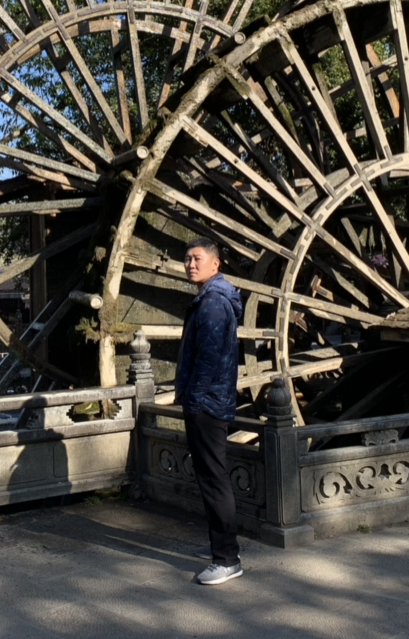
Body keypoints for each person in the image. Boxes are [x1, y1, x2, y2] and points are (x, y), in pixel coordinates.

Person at [176, 237, 244, 586]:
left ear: (215, 264)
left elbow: (209, 358)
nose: (190, 264)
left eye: (197, 259)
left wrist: (194, 399)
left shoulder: (213, 302)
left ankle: (226, 559)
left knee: (214, 480)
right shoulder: (211, 297)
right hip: (211, 401)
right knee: (211, 478)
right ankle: (222, 547)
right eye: (187, 259)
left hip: (208, 404)